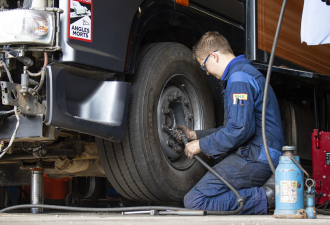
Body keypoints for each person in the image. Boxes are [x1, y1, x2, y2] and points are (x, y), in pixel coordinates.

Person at [176, 31, 284, 214]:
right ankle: (261, 195)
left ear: (214, 56)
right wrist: (195, 135)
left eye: (204, 66)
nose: (207, 72)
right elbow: (234, 128)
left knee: (195, 201)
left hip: (257, 156)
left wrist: (201, 145)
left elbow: (240, 129)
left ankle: (268, 197)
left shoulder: (239, 78)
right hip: (258, 153)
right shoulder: (242, 74)